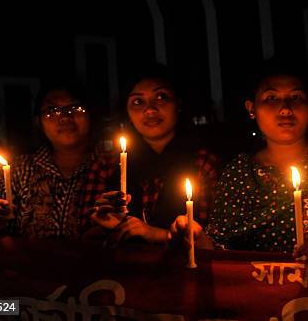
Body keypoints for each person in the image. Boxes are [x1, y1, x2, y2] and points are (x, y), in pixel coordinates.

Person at [170, 58, 308, 291]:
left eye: (296, 97)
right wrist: (197, 239)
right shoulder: (239, 173)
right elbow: (221, 245)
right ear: (251, 109)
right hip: (260, 298)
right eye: (271, 98)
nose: (286, 109)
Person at [81, 63, 219, 247]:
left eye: (161, 97)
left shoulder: (203, 162)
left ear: (178, 104)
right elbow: (83, 238)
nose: (150, 110)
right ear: (127, 111)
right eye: (138, 102)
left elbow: (210, 243)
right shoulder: (108, 163)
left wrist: (156, 234)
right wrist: (103, 223)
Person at [0, 81, 97, 238]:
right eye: (51, 110)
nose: (64, 117)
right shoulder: (19, 170)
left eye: (75, 108)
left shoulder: (107, 167)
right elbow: (0, 233)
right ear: (39, 122)